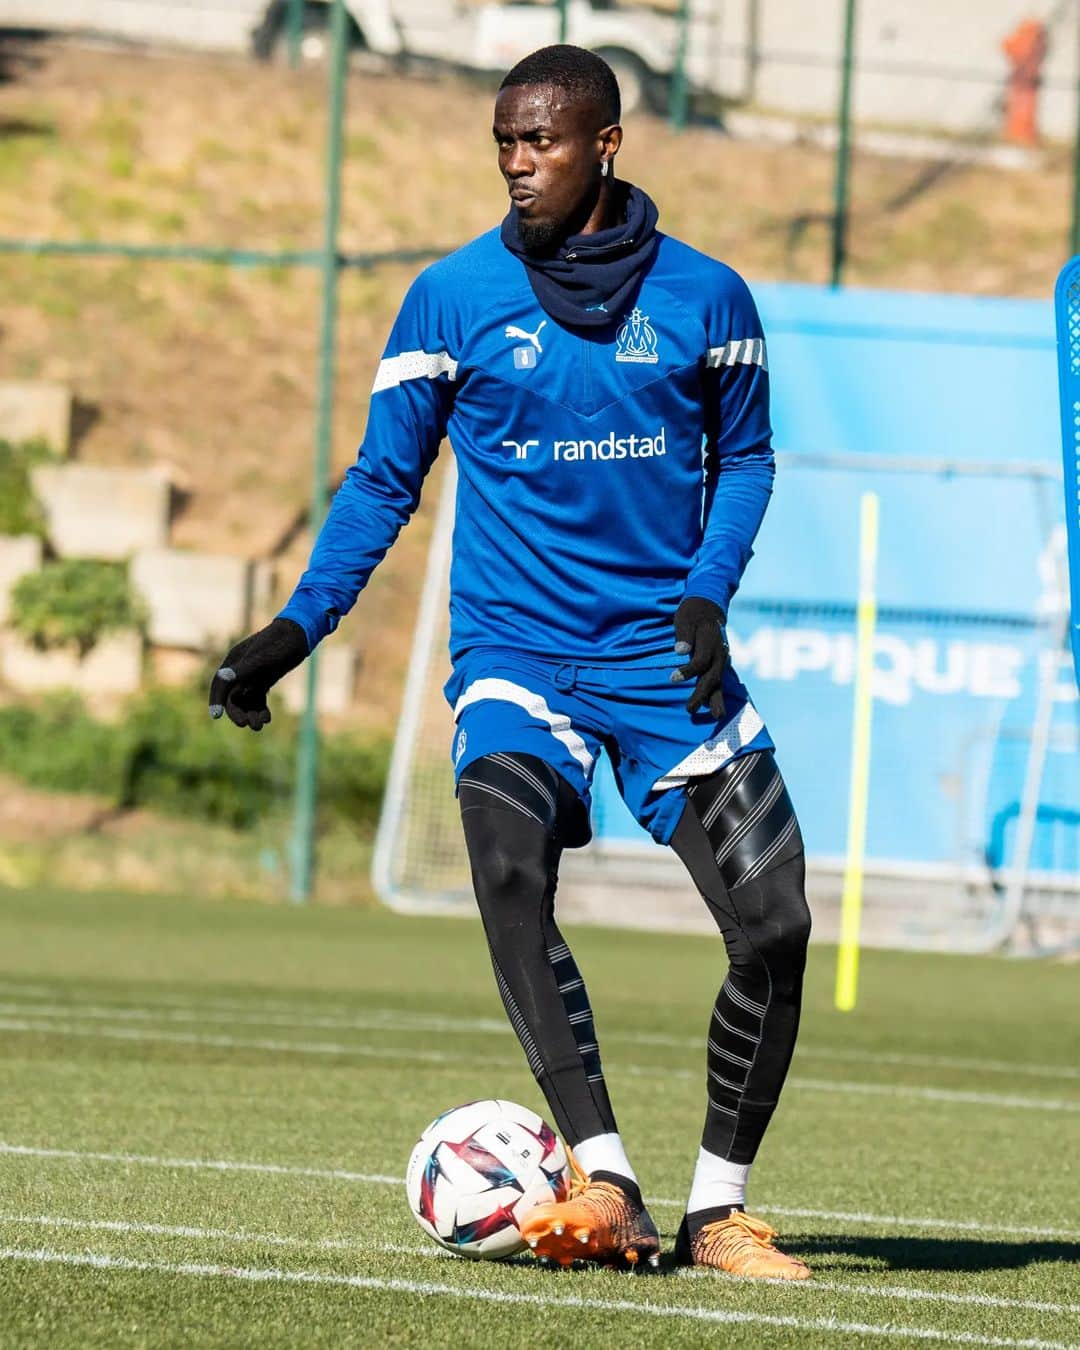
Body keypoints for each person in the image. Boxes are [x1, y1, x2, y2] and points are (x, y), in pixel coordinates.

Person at [209, 44, 811, 1280]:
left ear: (606, 144)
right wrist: (293, 630)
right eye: (504, 140)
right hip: (519, 652)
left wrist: (707, 591)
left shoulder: (709, 299)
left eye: (540, 140)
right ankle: (607, 1183)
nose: (517, 161)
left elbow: (747, 462)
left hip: (661, 657)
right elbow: (385, 480)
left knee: (777, 925)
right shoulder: (450, 297)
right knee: (505, 867)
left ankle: (718, 1213)